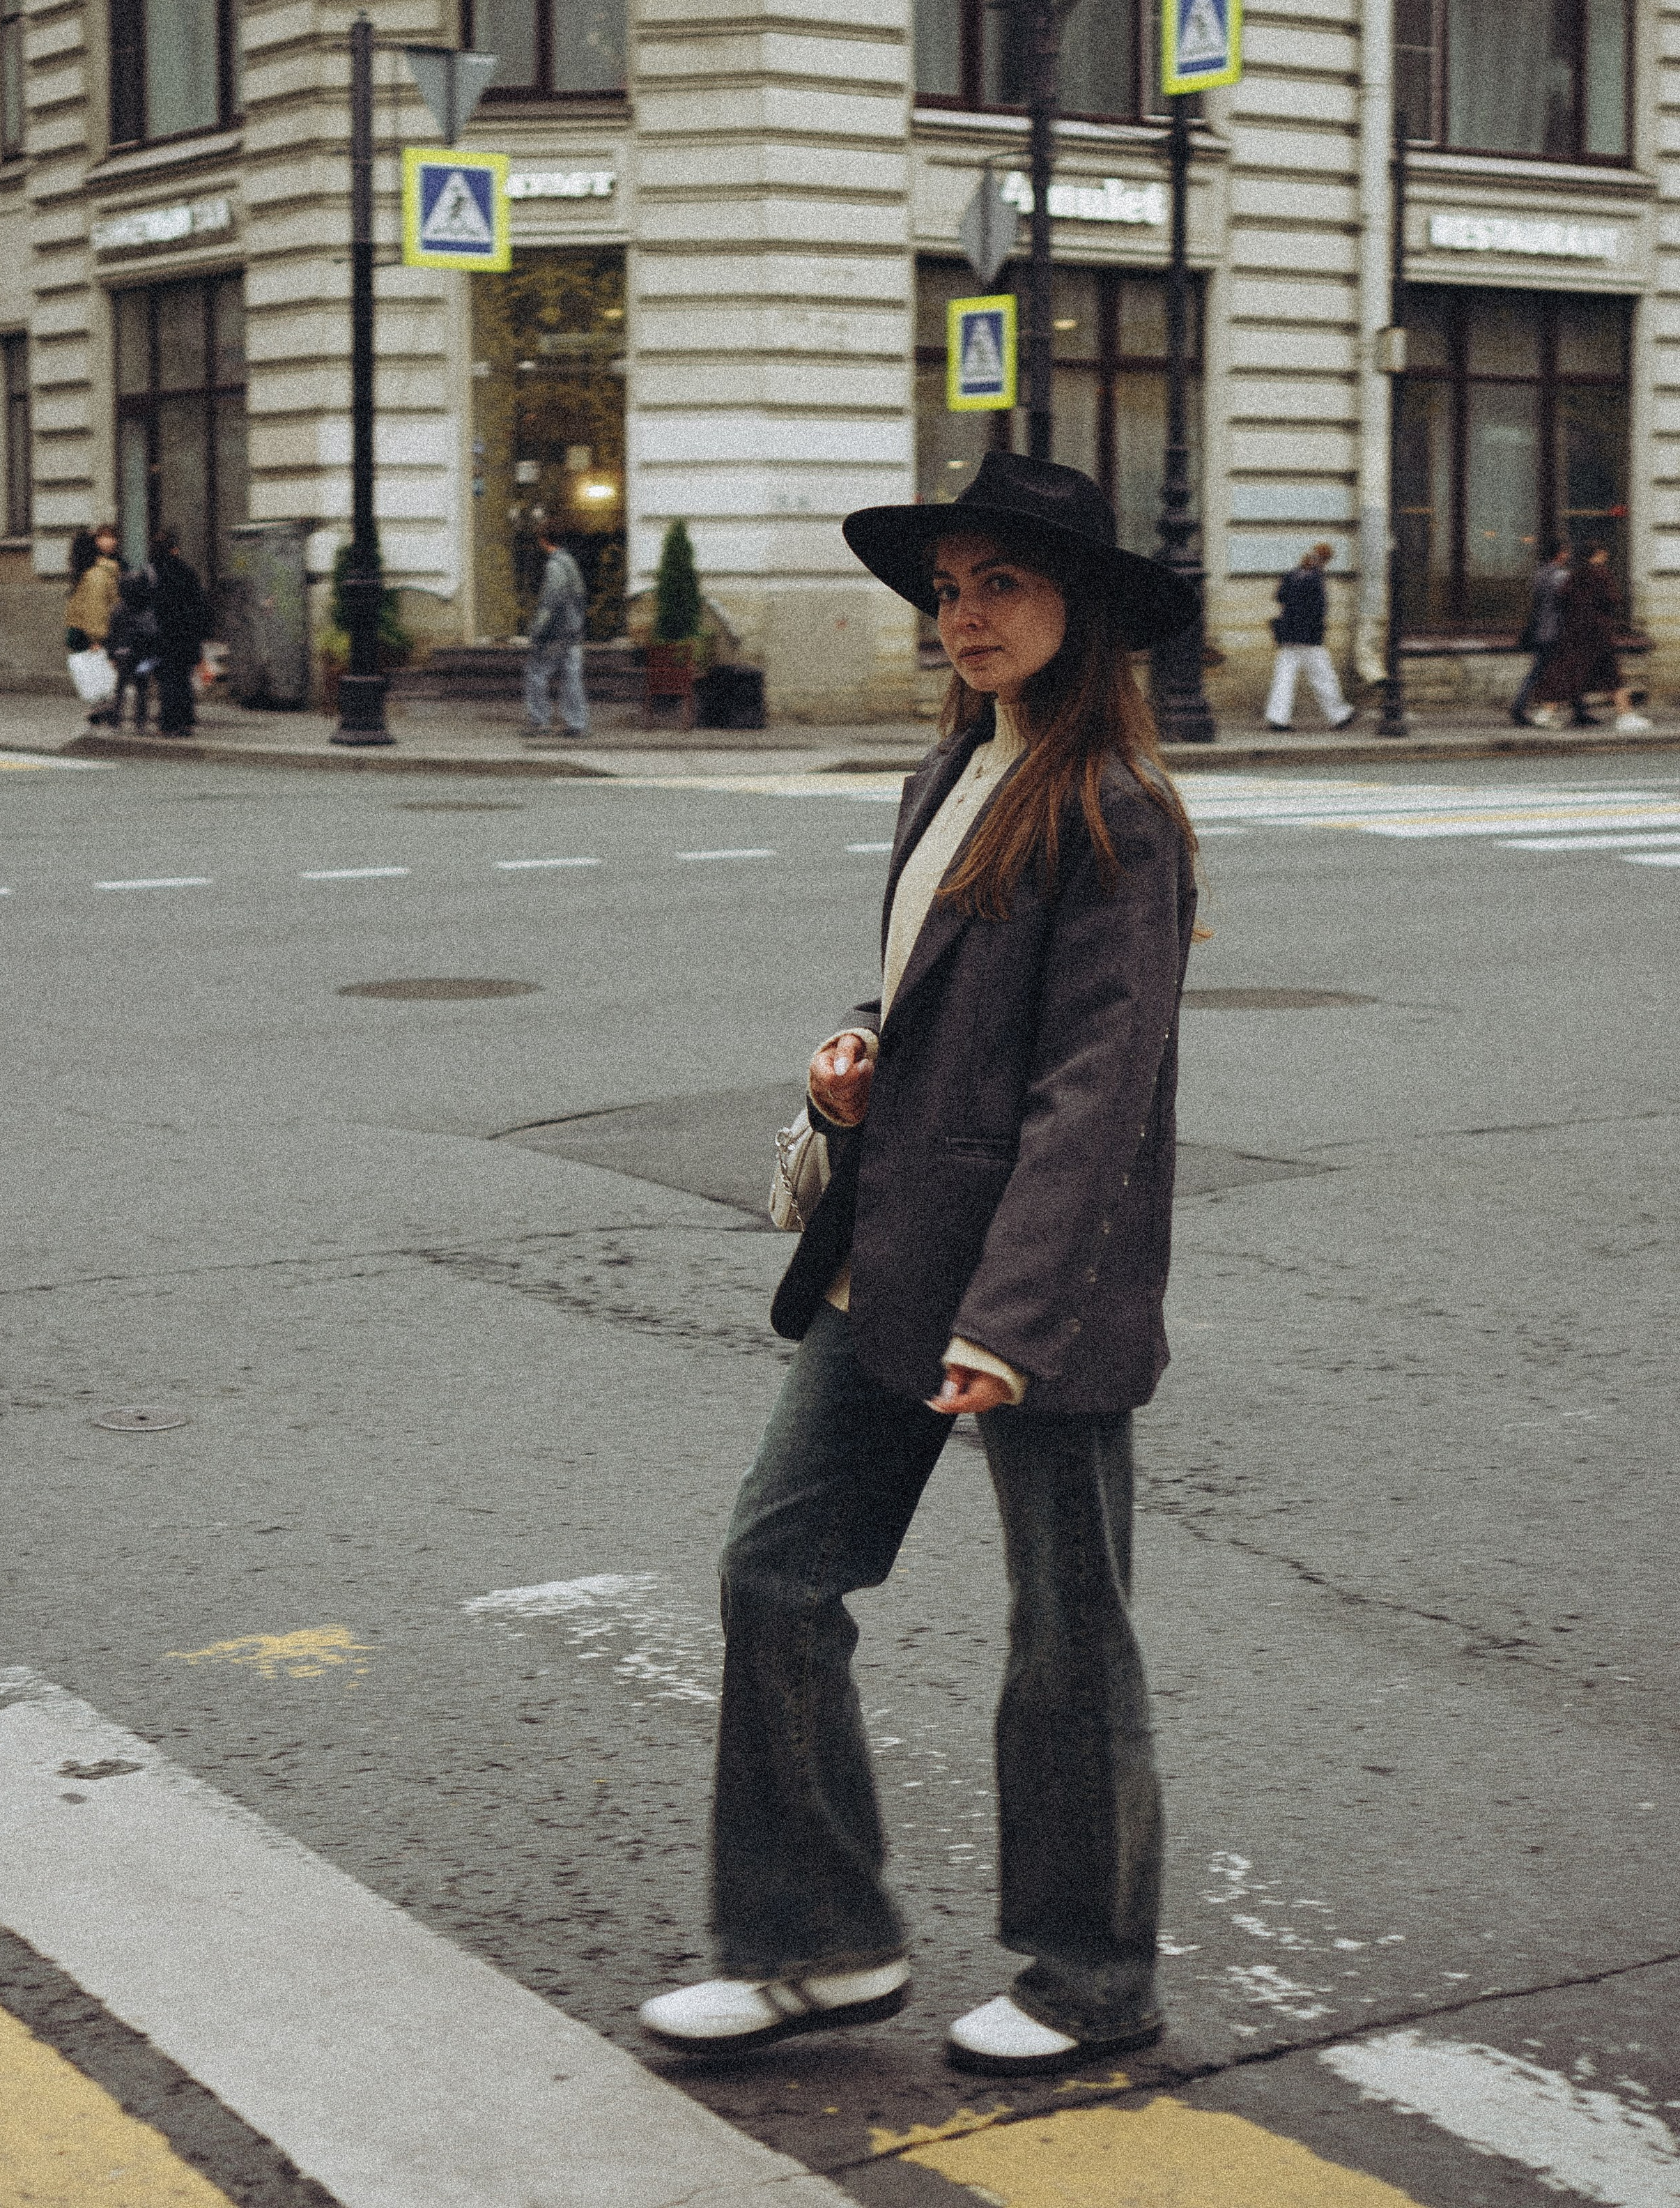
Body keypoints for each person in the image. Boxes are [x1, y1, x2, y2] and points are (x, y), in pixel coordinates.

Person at [639, 451, 1201, 2079]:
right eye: (946, 586)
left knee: (1066, 1632)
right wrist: (857, 1054)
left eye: (998, 584)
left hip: (1039, 1285)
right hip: (889, 1253)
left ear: (1076, 608)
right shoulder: (951, 772)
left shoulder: (1119, 818)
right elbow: (943, 1005)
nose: (960, 613)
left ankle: (1091, 1975)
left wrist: (1011, 1323)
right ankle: (813, 1937)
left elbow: (1091, 1099)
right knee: (774, 1569)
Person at [1531, 546, 1651, 733]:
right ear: (1597, 555)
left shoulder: (1575, 575)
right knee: (1610, 674)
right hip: (1597, 633)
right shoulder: (1600, 574)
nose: (1606, 555)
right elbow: (1613, 599)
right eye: (1603, 553)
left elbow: (1563, 597)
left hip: (1575, 632)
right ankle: (1625, 717)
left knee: (1568, 673)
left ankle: (1546, 713)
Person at [1264, 543, 1354, 732]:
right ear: (1324, 560)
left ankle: (1278, 718)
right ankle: (1340, 714)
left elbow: (1279, 597)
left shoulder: (1293, 574)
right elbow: (1320, 610)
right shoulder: (1315, 579)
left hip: (1288, 635)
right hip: (1309, 638)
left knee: (1284, 677)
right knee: (1323, 676)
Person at [522, 525, 588, 739]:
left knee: (536, 672)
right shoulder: (570, 563)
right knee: (572, 677)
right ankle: (576, 723)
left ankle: (540, 722)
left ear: (544, 541)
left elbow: (551, 601)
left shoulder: (555, 566)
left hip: (556, 632)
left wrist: (537, 630)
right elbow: (579, 597)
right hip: (573, 630)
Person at [148, 530, 208, 738]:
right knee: (183, 679)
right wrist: (200, 635)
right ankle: (185, 721)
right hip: (185, 636)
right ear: (175, 549)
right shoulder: (187, 572)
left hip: (160, 636)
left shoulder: (150, 574)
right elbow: (200, 607)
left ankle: (168, 722)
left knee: (167, 681)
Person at [63, 523, 121, 724]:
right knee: (99, 674)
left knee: (97, 674)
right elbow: (94, 607)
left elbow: (93, 607)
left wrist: (94, 637)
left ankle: (103, 708)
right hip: (89, 631)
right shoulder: (94, 573)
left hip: (86, 631)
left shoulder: (90, 574)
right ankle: (104, 708)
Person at [1510, 541, 1571, 727]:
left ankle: (1580, 709)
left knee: (1544, 670)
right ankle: (1519, 706)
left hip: (1540, 630)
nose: (1567, 555)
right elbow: (1567, 603)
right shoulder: (1561, 576)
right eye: (1565, 552)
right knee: (1548, 671)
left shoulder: (1539, 575)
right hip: (1556, 631)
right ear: (1559, 554)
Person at [106, 566, 159, 732]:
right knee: (142, 688)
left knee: (120, 687)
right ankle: (140, 722)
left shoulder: (118, 610)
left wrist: (111, 654)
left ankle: (116, 719)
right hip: (142, 654)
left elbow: (112, 634)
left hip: (123, 653)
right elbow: (152, 632)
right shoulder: (147, 610)